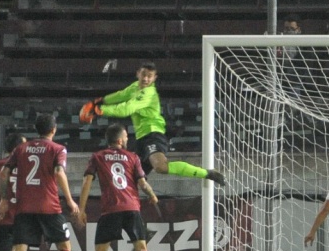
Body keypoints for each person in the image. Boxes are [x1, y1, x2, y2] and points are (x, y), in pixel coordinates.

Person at [79, 62, 225, 184]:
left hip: (153, 134)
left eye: (149, 76)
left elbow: (126, 109)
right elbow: (121, 95)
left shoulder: (148, 94)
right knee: (131, 181)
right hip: (141, 138)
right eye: (143, 74)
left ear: (154, 78)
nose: (146, 79)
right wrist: (100, 101)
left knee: (160, 167)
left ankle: (207, 173)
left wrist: (99, 110)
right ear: (138, 74)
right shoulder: (135, 87)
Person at [0, 113, 81, 251]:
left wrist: (4, 199)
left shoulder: (21, 148)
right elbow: (59, 172)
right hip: (49, 206)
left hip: (24, 207)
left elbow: (4, 172)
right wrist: (69, 200)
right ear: (54, 129)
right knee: (65, 247)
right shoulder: (58, 149)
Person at [77, 123, 162, 251]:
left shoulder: (98, 157)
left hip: (111, 209)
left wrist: (81, 209)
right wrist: (152, 195)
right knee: (141, 248)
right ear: (120, 140)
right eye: (126, 137)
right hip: (132, 207)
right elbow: (142, 183)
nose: (127, 139)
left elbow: (87, 182)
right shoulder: (133, 157)